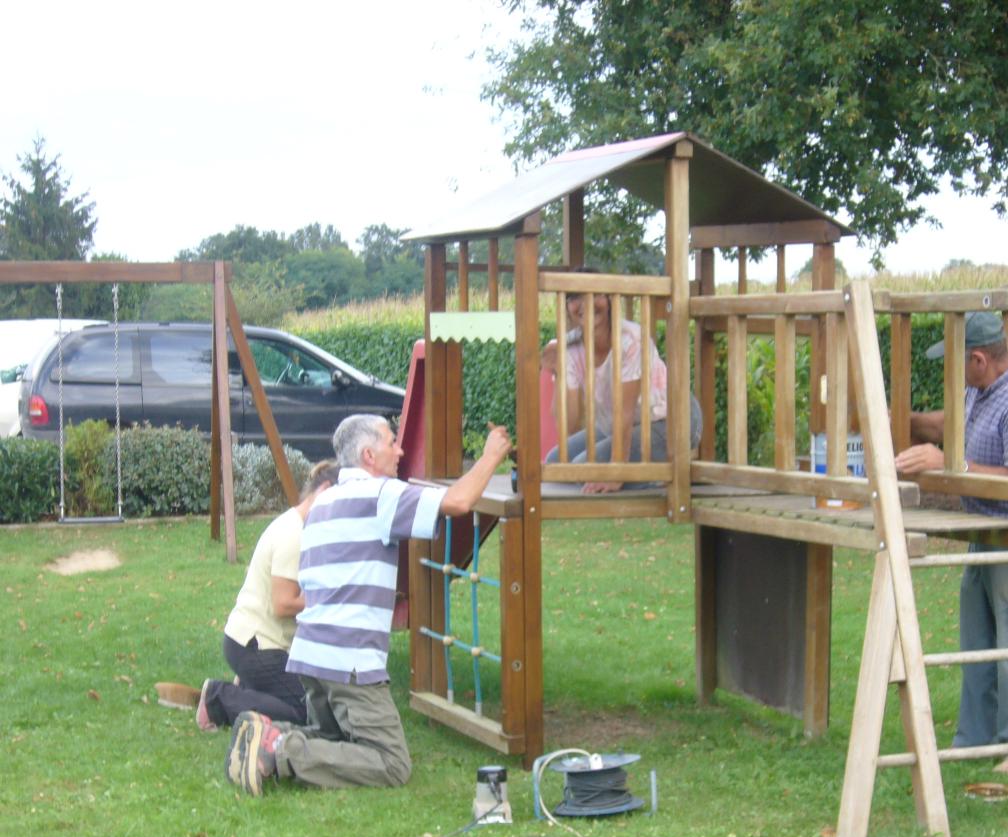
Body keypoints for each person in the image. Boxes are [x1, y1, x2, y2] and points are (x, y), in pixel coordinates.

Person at [224, 414, 511, 795]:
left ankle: (266, 732)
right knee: (391, 764)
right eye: (392, 441)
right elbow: (457, 502)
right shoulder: (381, 495)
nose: (401, 450)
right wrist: (490, 457)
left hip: (311, 656)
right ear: (368, 455)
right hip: (349, 661)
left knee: (333, 737)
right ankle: (279, 749)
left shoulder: (322, 504)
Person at [893, 311, 1008, 777]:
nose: (949, 373)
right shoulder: (981, 391)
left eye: (954, 362)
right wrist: (905, 421)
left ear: (977, 359)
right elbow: (946, 424)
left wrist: (950, 465)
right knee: (978, 642)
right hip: (987, 532)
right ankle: (976, 739)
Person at [195, 459, 340, 731]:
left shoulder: (300, 526)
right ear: (325, 491)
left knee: (320, 703)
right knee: (304, 711)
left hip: (258, 644)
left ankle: (249, 688)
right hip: (257, 646)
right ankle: (219, 698)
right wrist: (332, 598)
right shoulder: (294, 535)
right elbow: (283, 604)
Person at [541, 274, 702, 494]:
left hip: (670, 420)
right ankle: (651, 466)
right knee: (556, 462)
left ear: (608, 300)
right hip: (618, 426)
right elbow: (569, 424)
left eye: (595, 294)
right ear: (567, 306)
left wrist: (618, 473)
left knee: (587, 469)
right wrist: (558, 372)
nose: (585, 303)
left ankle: (668, 474)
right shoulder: (571, 346)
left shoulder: (630, 339)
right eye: (574, 297)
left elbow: (624, 413)